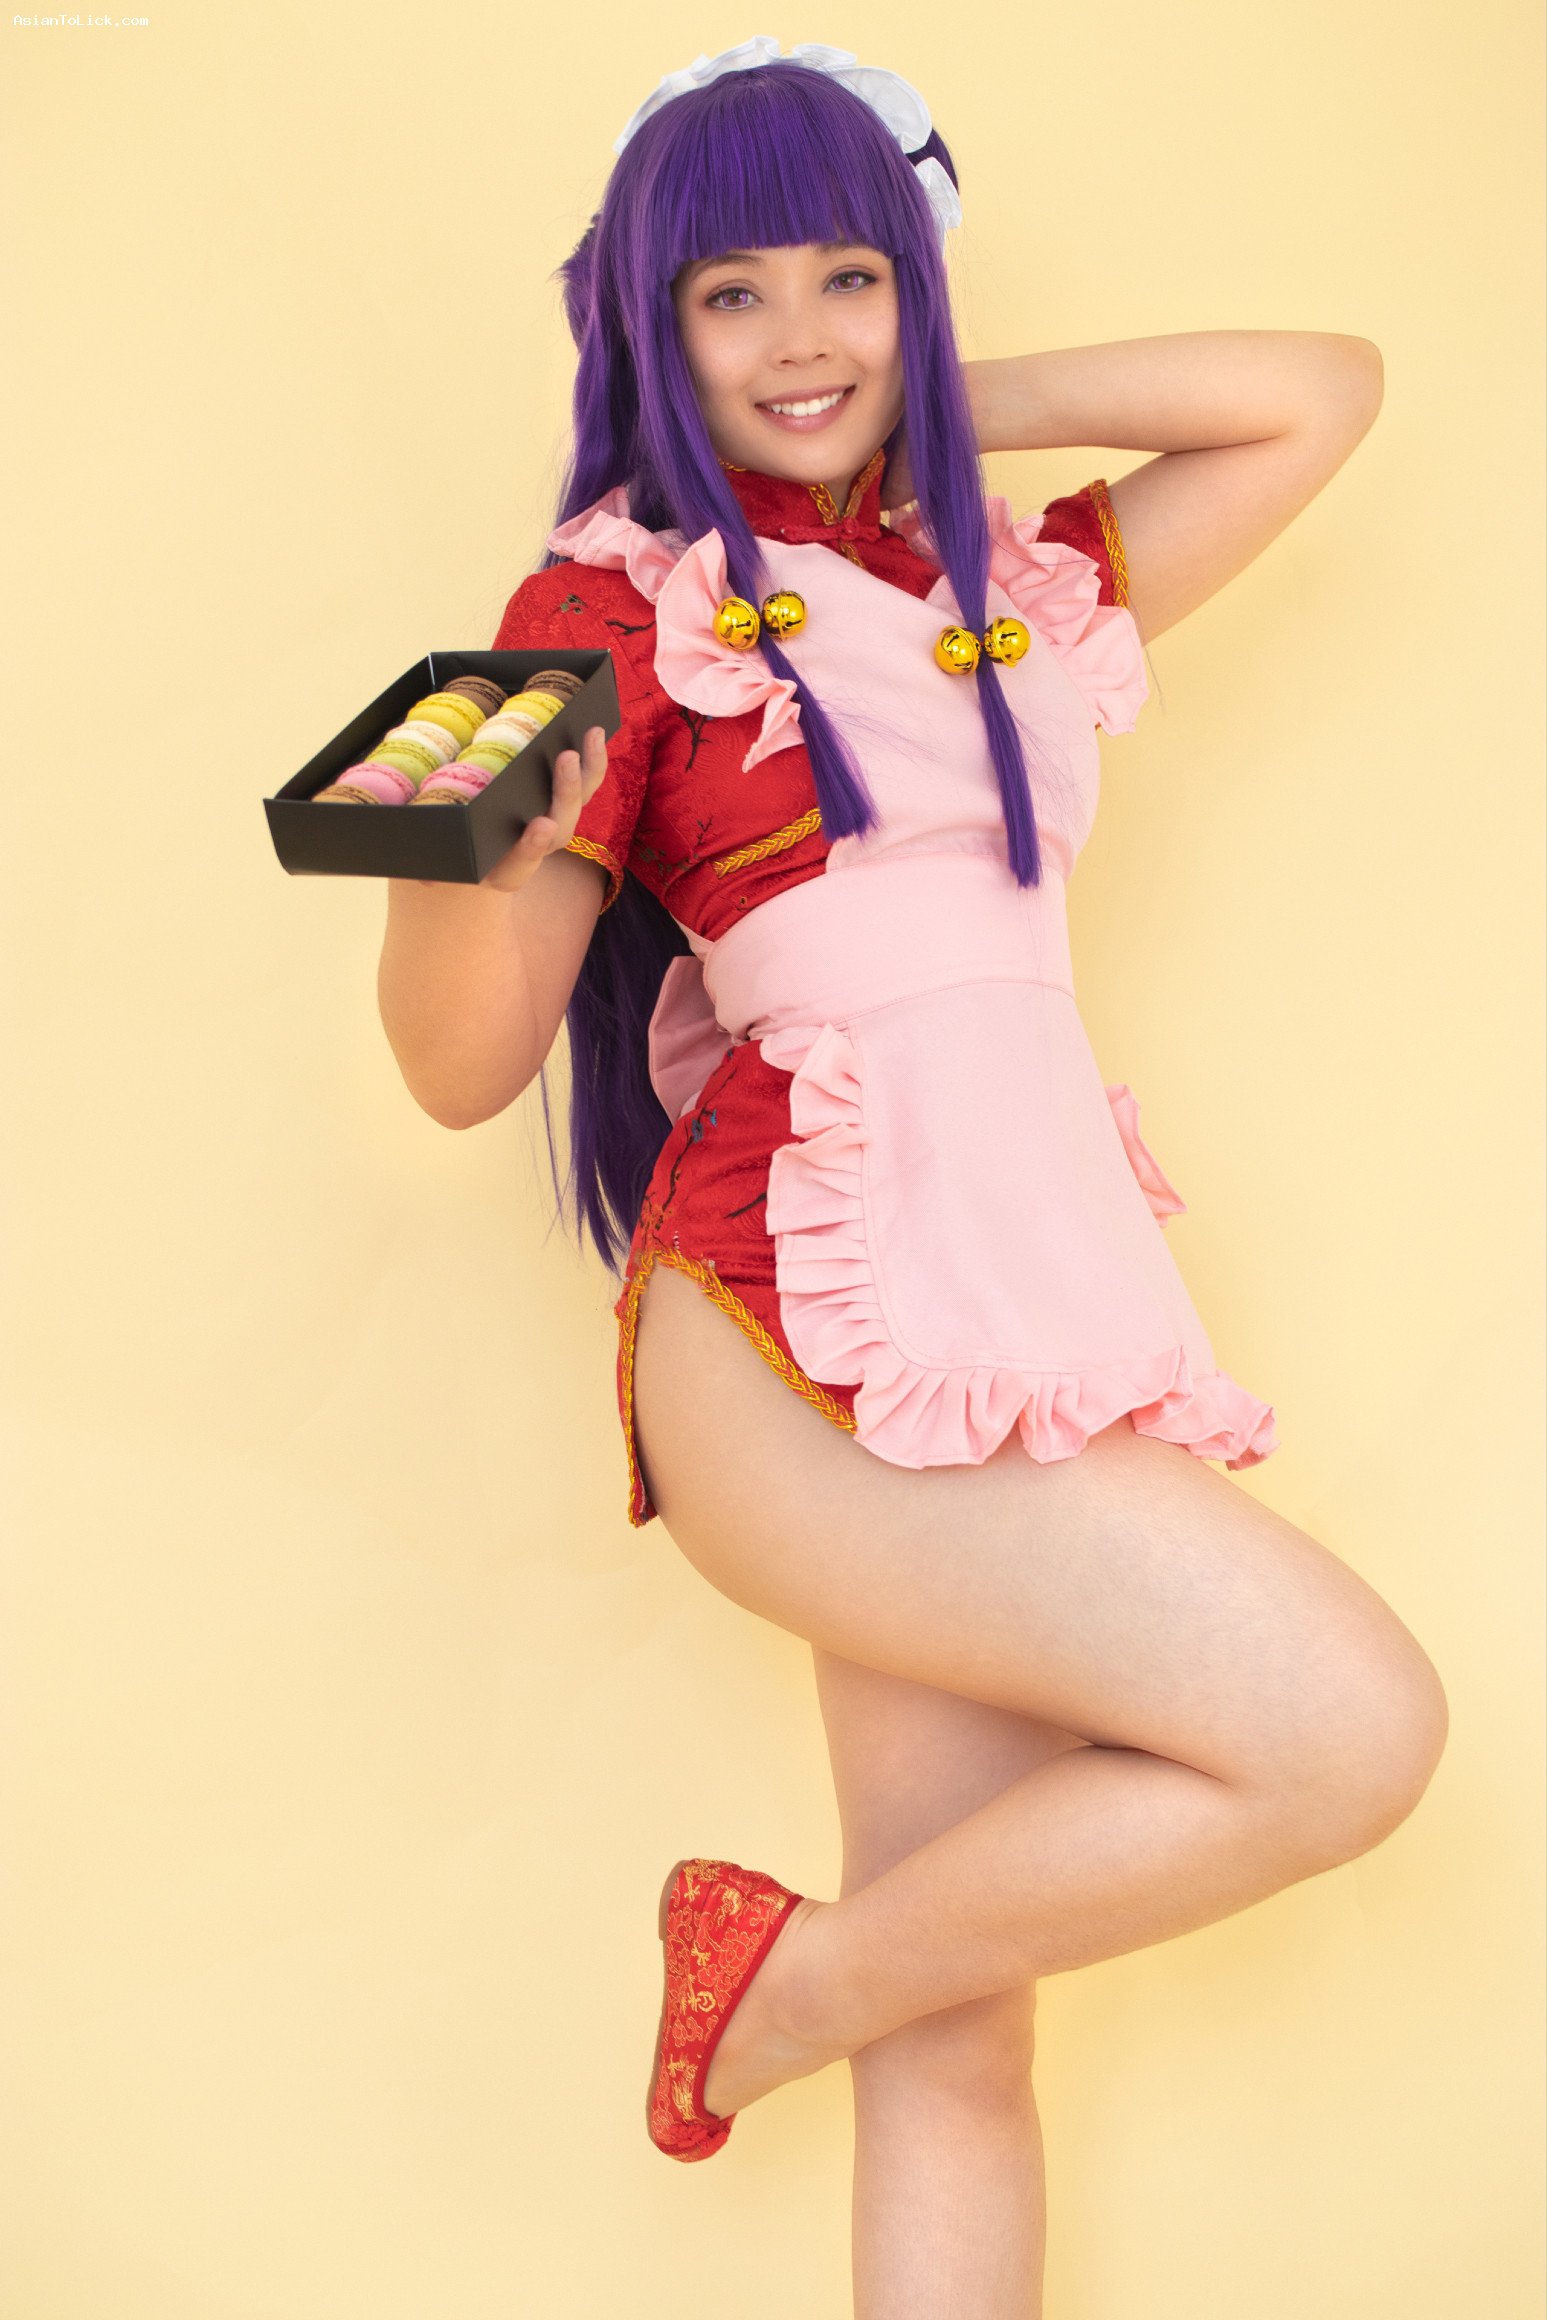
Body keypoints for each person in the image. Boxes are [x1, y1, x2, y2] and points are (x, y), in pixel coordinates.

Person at [377, 41, 1448, 2315]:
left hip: (1015, 1291)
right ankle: (776, 1992)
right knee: (1350, 1728)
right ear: (646, 327)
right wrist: (450, 816)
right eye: (729, 295)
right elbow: (457, 1070)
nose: (800, 338)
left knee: (959, 2033)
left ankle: (816, 1989)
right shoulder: (608, 608)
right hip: (805, 1324)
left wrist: (942, 404)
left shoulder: (1003, 581)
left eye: (849, 277)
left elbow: (1317, 391)